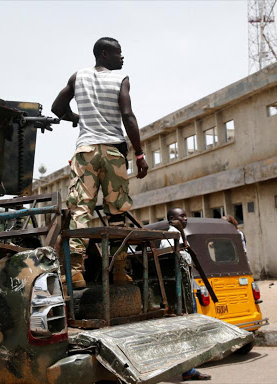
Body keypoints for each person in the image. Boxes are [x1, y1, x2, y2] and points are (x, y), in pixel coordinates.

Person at [51, 37, 148, 288]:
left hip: (86, 151)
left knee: (80, 209)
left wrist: (75, 118)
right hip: (114, 152)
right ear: (104, 54)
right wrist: (139, 154)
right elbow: (127, 115)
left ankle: (74, 271)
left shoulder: (78, 77)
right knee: (117, 212)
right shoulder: (121, 79)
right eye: (118, 53)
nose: (122, 58)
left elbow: (57, 107)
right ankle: (118, 270)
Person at [159, 207, 211, 381]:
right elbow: (173, 260)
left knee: (188, 330)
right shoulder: (171, 235)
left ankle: (189, 368)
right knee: (187, 330)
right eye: (181, 216)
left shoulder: (179, 234)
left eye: (185, 215)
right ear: (172, 218)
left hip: (185, 289)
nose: (185, 218)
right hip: (180, 293)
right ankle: (188, 369)